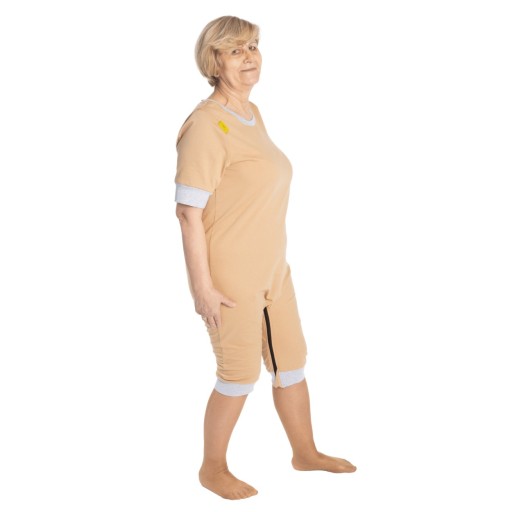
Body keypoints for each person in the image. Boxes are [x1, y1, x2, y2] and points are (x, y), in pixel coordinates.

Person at [174, 15, 356, 500]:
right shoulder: (205, 125)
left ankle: (305, 453)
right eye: (235, 50)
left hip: (274, 268)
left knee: (291, 362)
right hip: (230, 274)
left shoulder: (251, 115)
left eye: (253, 46)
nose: (249, 56)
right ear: (214, 61)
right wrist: (203, 288)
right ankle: (212, 469)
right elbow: (188, 214)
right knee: (238, 375)